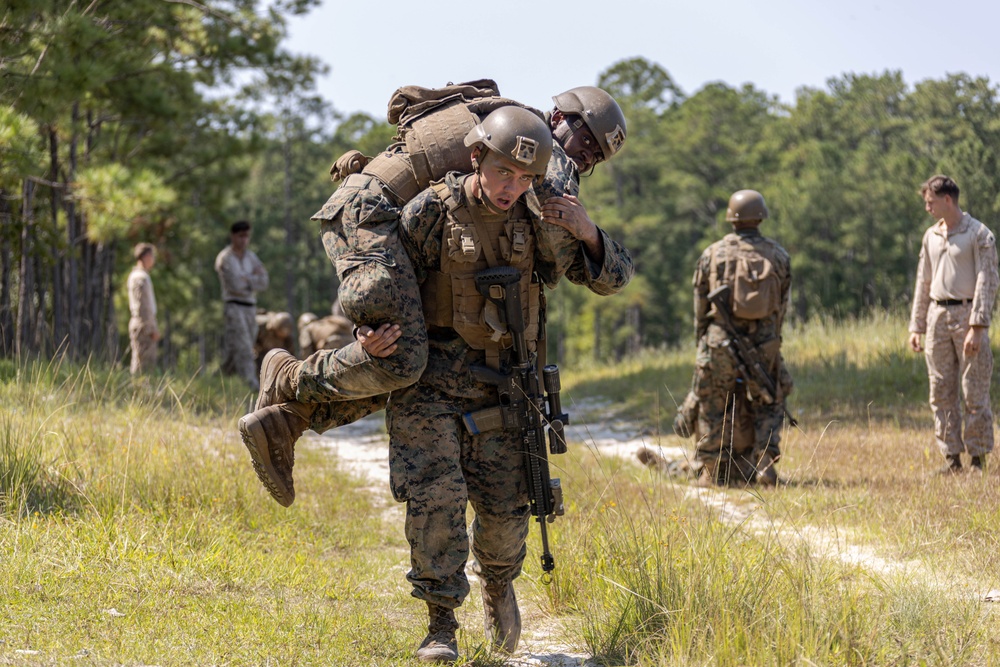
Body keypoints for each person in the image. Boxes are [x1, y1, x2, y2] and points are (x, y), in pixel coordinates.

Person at [238, 85, 630, 507]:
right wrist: (587, 233)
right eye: (585, 139)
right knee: (402, 355)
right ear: (559, 118)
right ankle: (289, 377)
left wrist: (587, 234)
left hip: (379, 217)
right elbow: (570, 260)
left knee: (411, 361)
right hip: (368, 217)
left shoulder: (509, 131)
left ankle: (287, 421)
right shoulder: (534, 143)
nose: (584, 156)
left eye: (594, 157)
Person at [387, 106, 632, 662]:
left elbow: (609, 279)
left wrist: (584, 230)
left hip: (504, 383)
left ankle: (498, 583)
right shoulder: (432, 211)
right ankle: (441, 623)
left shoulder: (538, 219)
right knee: (435, 499)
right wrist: (375, 328)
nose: (512, 187)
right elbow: (382, 275)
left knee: (504, 515)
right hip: (429, 385)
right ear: (477, 157)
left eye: (524, 178)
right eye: (503, 173)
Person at [690, 189, 792, 487]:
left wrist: (702, 338)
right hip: (764, 343)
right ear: (761, 216)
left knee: (712, 403)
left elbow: (700, 305)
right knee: (769, 401)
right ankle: (766, 466)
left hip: (720, 340)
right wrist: (772, 338)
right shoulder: (779, 255)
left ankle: (710, 470)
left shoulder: (712, 254)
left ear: (731, 219)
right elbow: (782, 306)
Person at [908, 175, 999, 474]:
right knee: (940, 391)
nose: (927, 208)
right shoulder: (930, 236)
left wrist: (979, 325)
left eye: (930, 202)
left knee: (974, 390)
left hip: (967, 315)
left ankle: (977, 459)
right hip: (937, 317)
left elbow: (987, 280)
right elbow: (924, 281)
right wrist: (916, 325)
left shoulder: (979, 234)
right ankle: (951, 458)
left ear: (948, 199)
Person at [215, 220, 269, 390]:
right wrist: (252, 279)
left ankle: (219, 380)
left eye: (246, 236)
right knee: (244, 347)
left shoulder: (251, 257)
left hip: (250, 307)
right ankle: (252, 385)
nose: (244, 240)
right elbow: (235, 285)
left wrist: (247, 279)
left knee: (237, 349)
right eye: (240, 236)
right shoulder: (225, 258)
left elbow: (264, 281)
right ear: (233, 236)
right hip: (234, 306)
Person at [127, 242, 160, 375]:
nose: (153, 260)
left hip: (144, 323)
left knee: (146, 362)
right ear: (146, 257)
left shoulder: (140, 276)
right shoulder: (139, 278)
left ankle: (143, 391)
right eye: (152, 256)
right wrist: (150, 328)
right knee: (142, 364)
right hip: (143, 325)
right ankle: (137, 390)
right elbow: (143, 306)